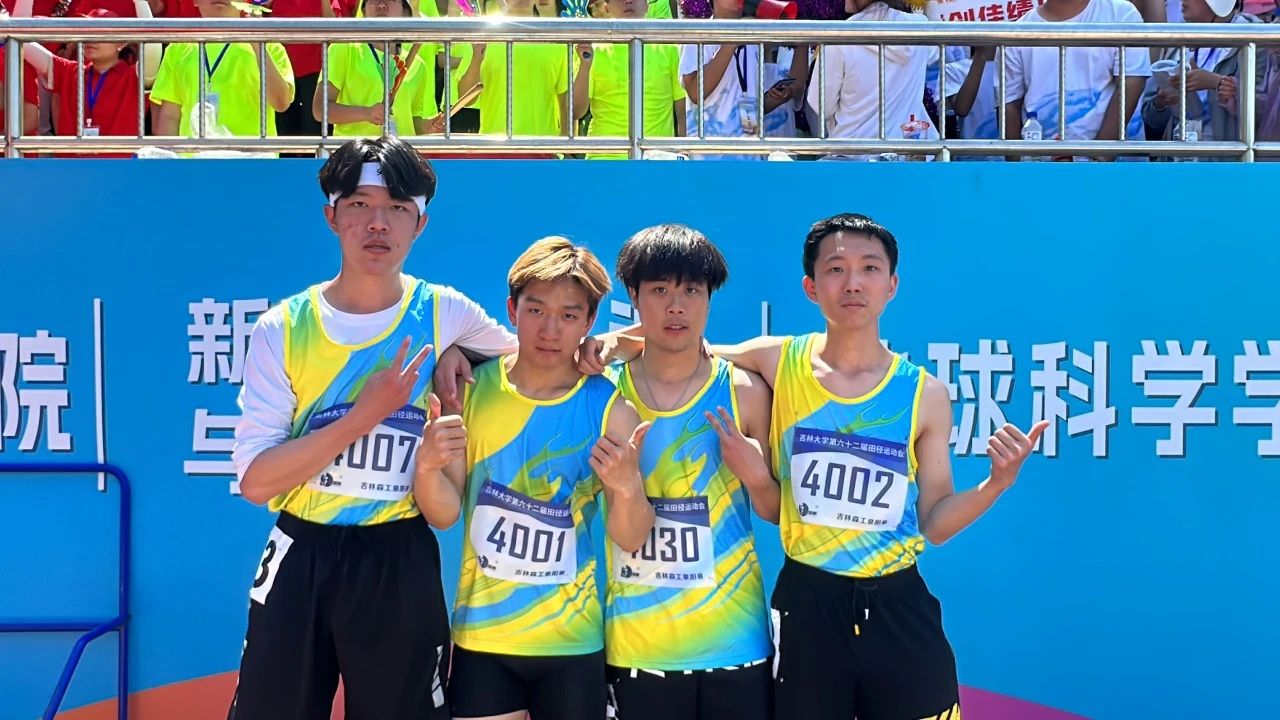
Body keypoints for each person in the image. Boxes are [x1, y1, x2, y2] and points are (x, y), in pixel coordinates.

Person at [582, 212, 1047, 720]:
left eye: (869, 268)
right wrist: (613, 342)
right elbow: (685, 344)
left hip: (898, 605)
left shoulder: (925, 394)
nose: (853, 283)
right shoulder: (779, 361)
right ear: (811, 287)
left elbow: (934, 523)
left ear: (892, 285)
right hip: (808, 605)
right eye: (836, 269)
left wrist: (995, 484)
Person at [227, 136, 518, 720]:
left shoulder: (443, 311)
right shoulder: (284, 327)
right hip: (301, 552)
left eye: (397, 208)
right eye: (359, 204)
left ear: (420, 224)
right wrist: (365, 415)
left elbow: (535, 359)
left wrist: (460, 350)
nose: (377, 223)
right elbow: (256, 482)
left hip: (397, 554)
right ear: (331, 216)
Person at [420, 237, 653, 720]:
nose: (550, 329)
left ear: (589, 322)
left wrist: (627, 487)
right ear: (512, 310)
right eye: (536, 310)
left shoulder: (611, 408)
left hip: (573, 644)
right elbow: (444, 514)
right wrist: (426, 466)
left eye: (569, 315)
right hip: (483, 640)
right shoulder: (471, 390)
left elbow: (632, 537)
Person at [603, 224, 777, 720]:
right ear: (633, 296)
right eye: (659, 290)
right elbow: (624, 532)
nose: (675, 307)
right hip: (639, 645)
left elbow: (775, 512)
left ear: (709, 298)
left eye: (691, 291)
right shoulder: (607, 394)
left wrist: (757, 476)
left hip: (734, 642)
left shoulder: (744, 392)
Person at [1002, 0, 1151, 159]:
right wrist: (1018, 166)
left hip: (1119, 166)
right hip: (1041, 166)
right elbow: (1009, 106)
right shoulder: (1017, 32)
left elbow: (1132, 83)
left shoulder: (1121, 13)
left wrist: (1101, 154)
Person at [149, 0, 295, 138]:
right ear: (195, 1)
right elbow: (171, 116)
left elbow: (281, 103)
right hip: (196, 155)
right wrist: (169, 155)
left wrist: (258, 44)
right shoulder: (177, 49)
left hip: (251, 155)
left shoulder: (270, 46)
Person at [1141, 0, 1263, 154]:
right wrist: (1162, 102)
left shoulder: (1255, 41)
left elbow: (1263, 111)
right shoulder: (1178, 39)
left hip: (1228, 160)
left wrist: (1216, 82)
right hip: (1180, 158)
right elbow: (1150, 119)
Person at [570, 0, 686, 159]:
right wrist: (585, 65)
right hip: (604, 160)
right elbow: (575, 111)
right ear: (606, 8)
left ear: (647, 5)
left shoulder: (669, 48)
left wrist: (684, 152)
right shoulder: (592, 50)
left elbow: (683, 112)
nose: (628, 1)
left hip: (657, 160)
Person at [313, 0, 442, 137]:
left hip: (399, 149)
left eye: (391, 0)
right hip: (356, 149)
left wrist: (427, 127)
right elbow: (320, 109)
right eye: (373, 0)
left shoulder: (418, 65)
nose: (381, 5)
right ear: (364, 12)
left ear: (405, 13)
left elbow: (413, 122)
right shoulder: (344, 48)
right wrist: (366, 113)